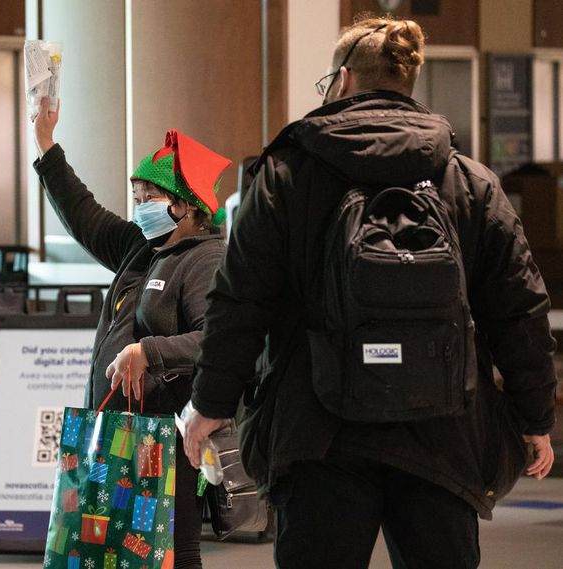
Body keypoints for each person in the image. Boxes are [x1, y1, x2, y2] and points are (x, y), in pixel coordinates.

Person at [184, 16, 557, 569]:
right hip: (444, 430)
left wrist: (209, 405)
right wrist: (534, 417)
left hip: (318, 434)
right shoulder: (471, 183)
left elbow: (240, 300)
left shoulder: (286, 175)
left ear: (343, 81)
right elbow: (520, 308)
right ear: (406, 84)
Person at [33, 97, 230, 569]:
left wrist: (149, 351)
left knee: (173, 552)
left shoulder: (204, 259)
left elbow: (217, 340)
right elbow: (83, 213)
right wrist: (46, 143)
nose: (139, 207)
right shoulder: (140, 247)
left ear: (185, 205)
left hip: (168, 438)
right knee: (112, 555)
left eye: (149, 198)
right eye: (137, 197)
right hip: (120, 435)